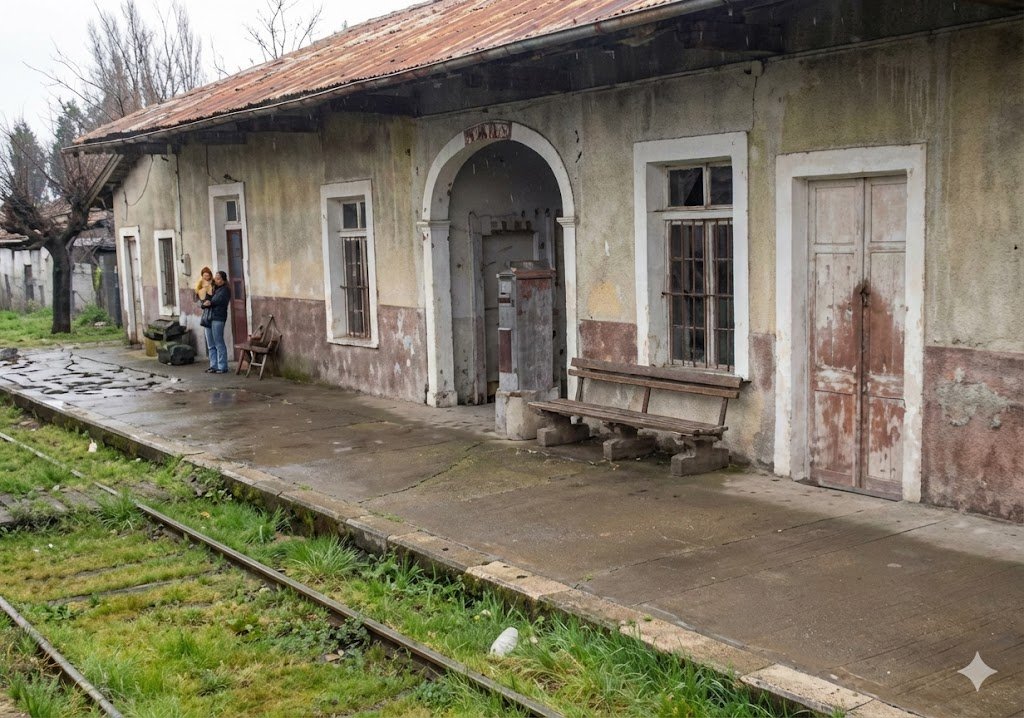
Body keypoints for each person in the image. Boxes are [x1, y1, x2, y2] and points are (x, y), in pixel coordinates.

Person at [202, 271, 231, 374]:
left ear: (223, 280)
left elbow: (217, 301)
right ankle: (213, 365)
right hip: (208, 318)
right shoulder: (212, 288)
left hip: (218, 318)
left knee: (219, 342)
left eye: (218, 278)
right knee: (210, 344)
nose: (216, 280)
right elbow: (205, 300)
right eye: (215, 278)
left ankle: (222, 366)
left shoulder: (225, 290)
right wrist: (206, 302)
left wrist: (209, 302)